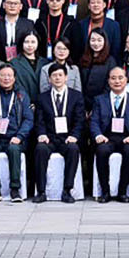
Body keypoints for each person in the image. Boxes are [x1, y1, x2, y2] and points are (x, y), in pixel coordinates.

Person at [90, 66, 129, 203]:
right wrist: (98, 135)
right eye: (113, 78)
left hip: (127, 138)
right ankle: (105, 191)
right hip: (107, 138)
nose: (117, 81)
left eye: (120, 78)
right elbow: (94, 121)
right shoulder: (99, 100)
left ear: (126, 80)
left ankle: (122, 191)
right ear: (108, 81)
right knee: (101, 151)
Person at [33, 64, 86, 203]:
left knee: (73, 149)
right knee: (40, 149)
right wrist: (41, 134)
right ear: (49, 79)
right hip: (49, 138)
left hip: (68, 137)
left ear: (66, 77)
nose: (57, 78)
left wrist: (74, 136)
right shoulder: (42, 98)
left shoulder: (76, 96)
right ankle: (41, 191)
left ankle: (67, 190)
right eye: (54, 75)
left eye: (60, 75)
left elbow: (80, 120)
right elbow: (39, 120)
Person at [0, 64, 33, 202]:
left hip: (15, 137)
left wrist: (20, 136)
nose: (6, 78)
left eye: (9, 75)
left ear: (14, 78)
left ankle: (15, 189)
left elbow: (28, 119)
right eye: (3, 75)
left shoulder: (22, 95)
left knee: (14, 149)